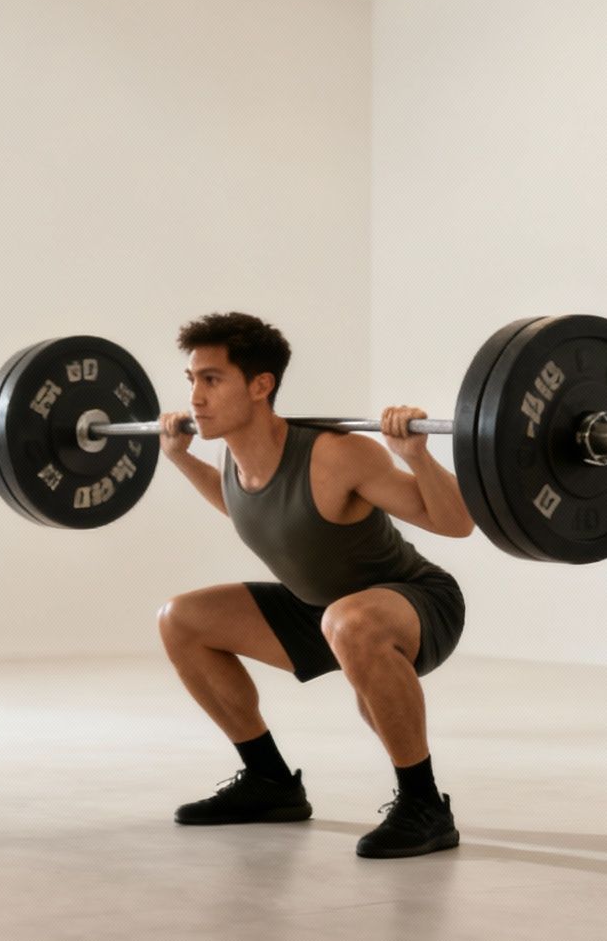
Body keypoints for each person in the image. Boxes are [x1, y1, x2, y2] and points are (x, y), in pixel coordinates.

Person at [155, 312, 473, 859]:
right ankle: (270, 782)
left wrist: (417, 457)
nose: (196, 397)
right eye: (191, 380)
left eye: (212, 379)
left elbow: (456, 523)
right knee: (181, 620)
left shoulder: (335, 454)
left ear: (261, 385)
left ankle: (424, 806)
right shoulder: (234, 457)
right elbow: (249, 512)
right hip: (321, 610)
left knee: (347, 623)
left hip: (414, 601)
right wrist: (181, 460)